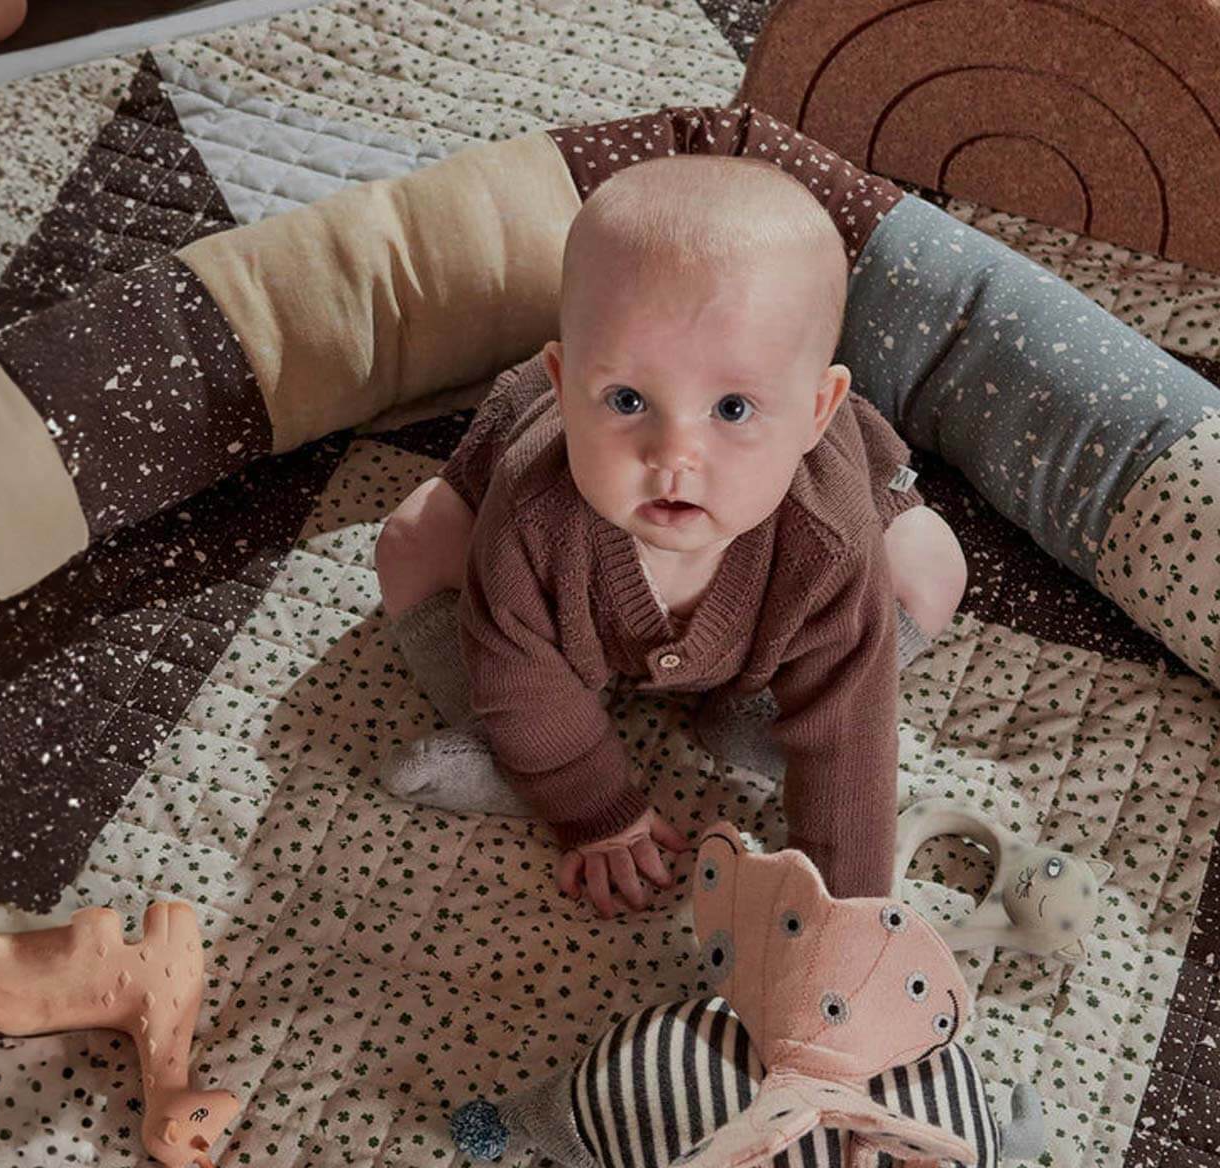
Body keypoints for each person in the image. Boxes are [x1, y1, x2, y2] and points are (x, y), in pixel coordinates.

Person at [373, 155, 966, 916]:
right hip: (543, 648)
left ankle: (757, 715)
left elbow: (853, 727)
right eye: (627, 399)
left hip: (776, 643)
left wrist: (843, 912)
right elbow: (514, 661)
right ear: (563, 384)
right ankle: (508, 751)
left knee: (929, 565)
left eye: (732, 410)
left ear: (818, 411)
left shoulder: (828, 539)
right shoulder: (532, 513)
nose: (673, 455)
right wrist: (592, 806)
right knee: (414, 540)